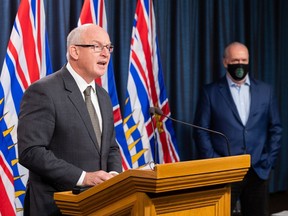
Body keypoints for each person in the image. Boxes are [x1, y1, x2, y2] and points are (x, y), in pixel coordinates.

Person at [18, 24, 122, 215]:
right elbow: (31, 151)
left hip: (99, 204)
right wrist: (83, 177)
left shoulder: (103, 96)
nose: (105, 54)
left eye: (108, 47)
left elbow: (111, 147)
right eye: (97, 46)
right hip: (56, 206)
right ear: (74, 51)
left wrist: (114, 177)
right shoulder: (44, 91)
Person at [193, 42, 282, 216]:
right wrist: (215, 162)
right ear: (225, 62)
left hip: (258, 170)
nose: (240, 64)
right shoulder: (210, 92)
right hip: (224, 172)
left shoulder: (266, 91)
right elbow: (200, 130)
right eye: (235, 60)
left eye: (244, 59)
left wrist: (269, 159)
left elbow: (276, 128)